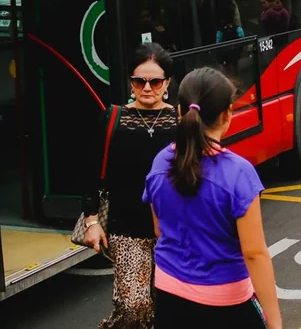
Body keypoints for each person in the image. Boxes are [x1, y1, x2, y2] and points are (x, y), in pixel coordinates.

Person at [143, 67, 281, 329]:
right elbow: (254, 253)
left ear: (181, 112)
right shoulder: (238, 173)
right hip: (227, 303)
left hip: (169, 296)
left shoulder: (160, 162)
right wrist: (275, 323)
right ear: (228, 113)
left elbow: (159, 230)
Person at [84, 44, 178, 329]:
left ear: (167, 84)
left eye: (155, 81)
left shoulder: (182, 121)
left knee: (169, 306)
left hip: (175, 229)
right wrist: (91, 221)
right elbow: (91, 173)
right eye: (139, 81)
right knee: (134, 307)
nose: (147, 87)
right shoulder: (113, 119)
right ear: (131, 82)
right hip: (126, 227)